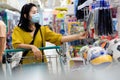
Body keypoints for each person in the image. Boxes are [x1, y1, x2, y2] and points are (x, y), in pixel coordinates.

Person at [12, 3, 87, 64]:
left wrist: (77, 36)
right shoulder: (18, 30)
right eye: (34, 13)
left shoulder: (42, 29)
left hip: (41, 63)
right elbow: (16, 44)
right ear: (25, 15)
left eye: (37, 12)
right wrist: (32, 47)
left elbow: (59, 38)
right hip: (26, 64)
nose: (37, 14)